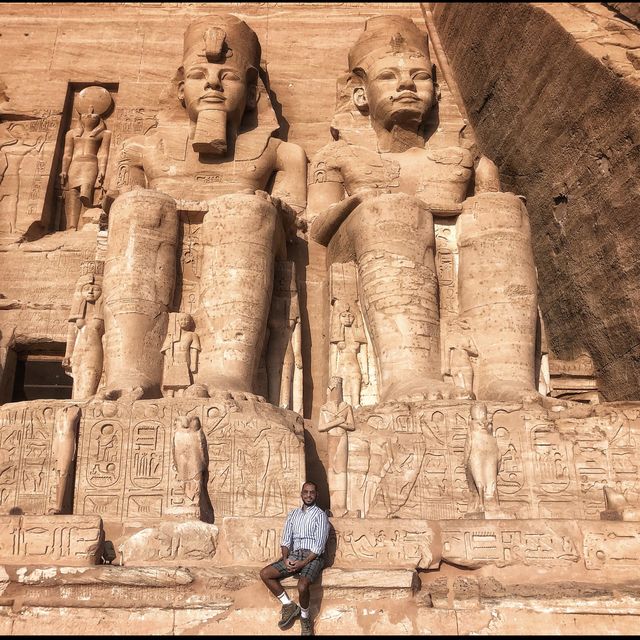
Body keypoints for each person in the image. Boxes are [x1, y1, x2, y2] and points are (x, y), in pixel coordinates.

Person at [309, 15, 540, 404]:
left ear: (435, 90)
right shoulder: (338, 155)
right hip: (367, 239)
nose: (406, 84)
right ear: (360, 95)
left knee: (501, 211)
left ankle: (506, 378)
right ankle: (408, 375)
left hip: (445, 241)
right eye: (388, 77)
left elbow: (490, 202)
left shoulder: (464, 157)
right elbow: (316, 224)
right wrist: (362, 201)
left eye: (419, 76)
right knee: (395, 211)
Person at [260, 481, 330, 636]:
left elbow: (318, 547)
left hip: (313, 557)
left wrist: (302, 563)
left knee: (302, 586)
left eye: (312, 492)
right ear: (301, 494)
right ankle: (288, 605)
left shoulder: (320, 516)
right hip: (294, 555)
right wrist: (285, 559)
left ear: (316, 494)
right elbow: (285, 540)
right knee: (265, 574)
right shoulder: (293, 514)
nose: (309, 495)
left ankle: (305, 618)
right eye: (306, 492)